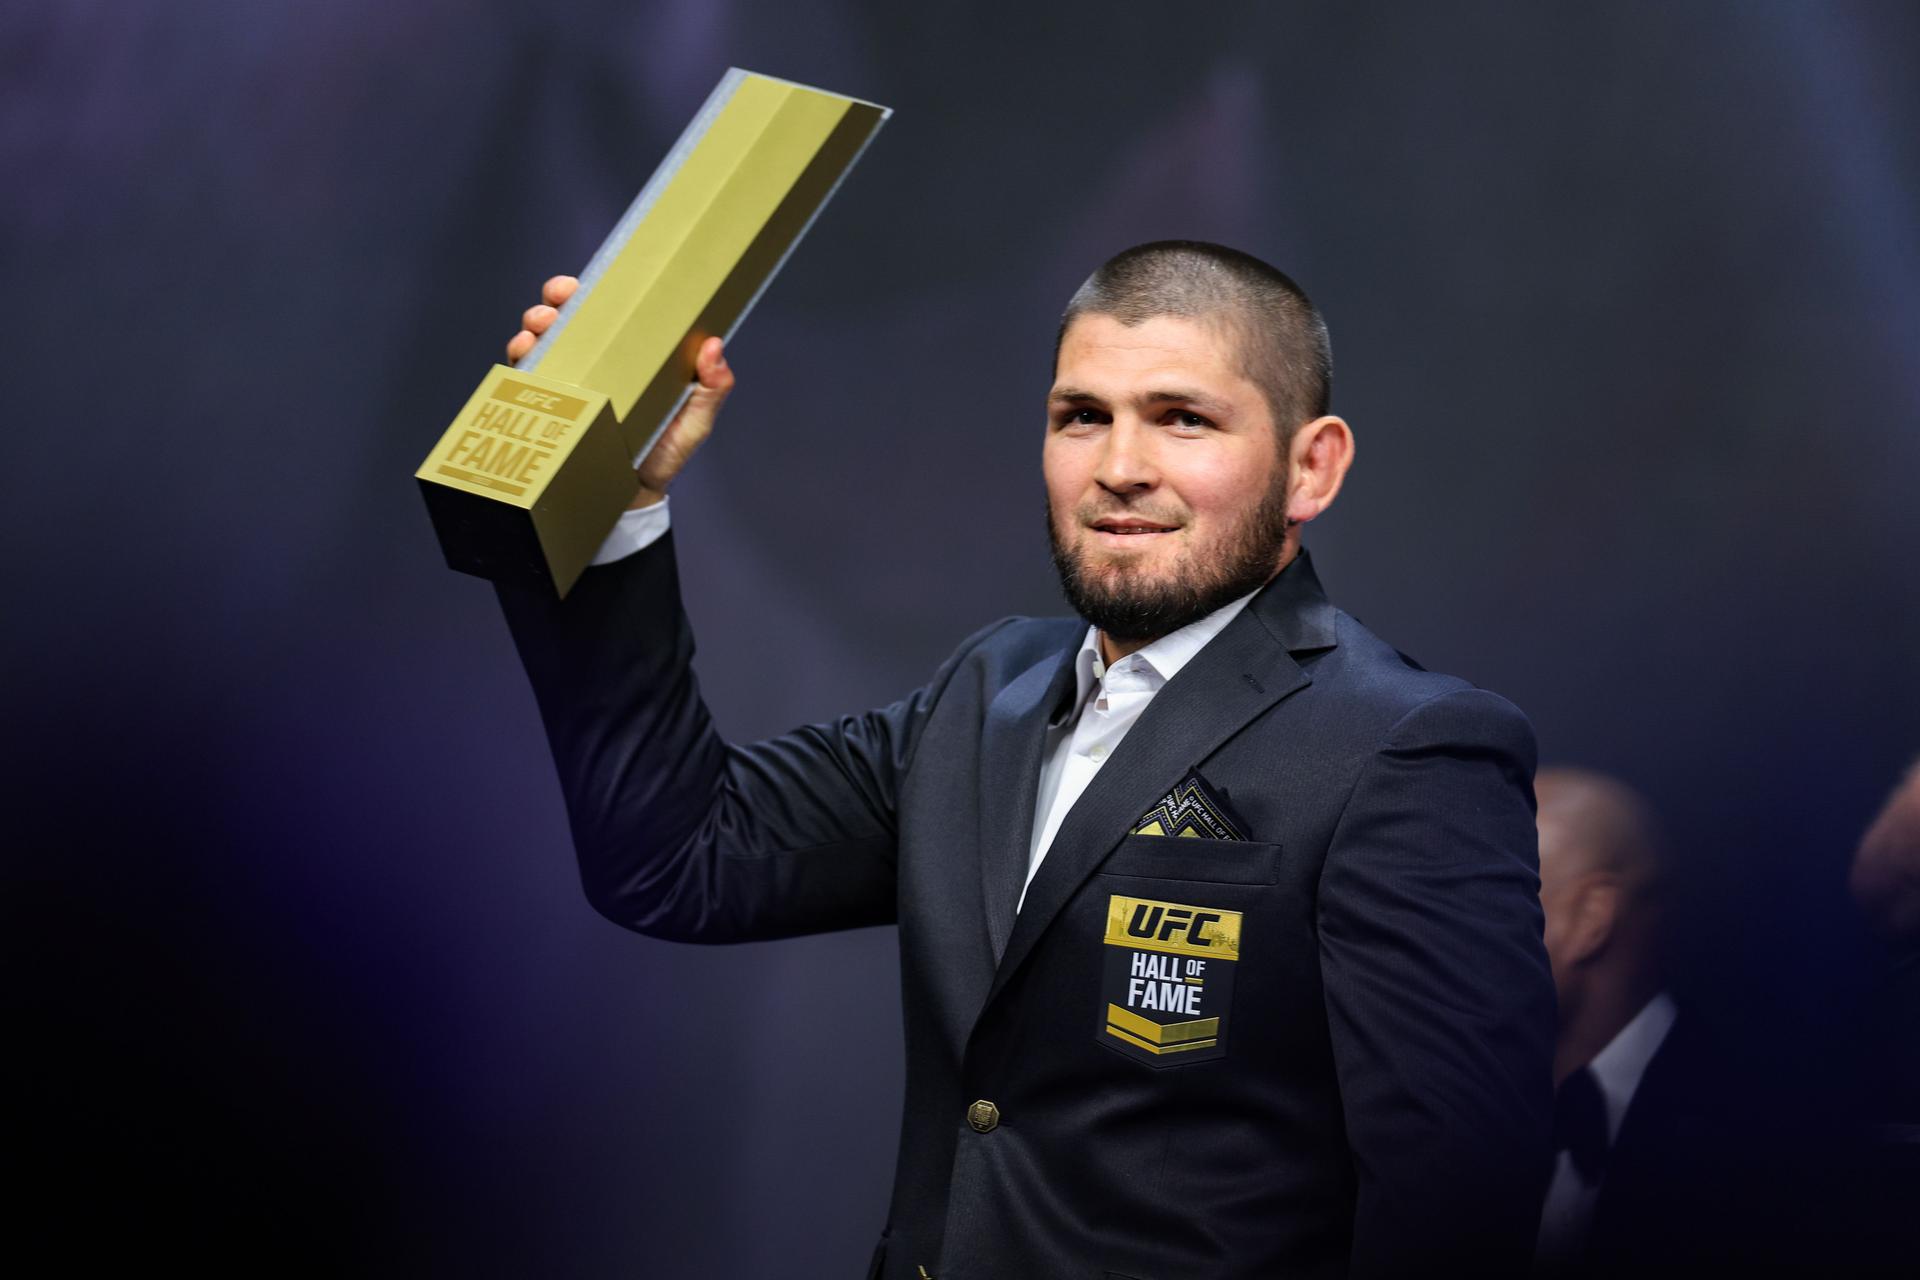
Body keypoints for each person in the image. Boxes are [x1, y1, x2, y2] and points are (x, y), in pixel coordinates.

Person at [495, 242, 1556, 1278]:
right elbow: (678, 856)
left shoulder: (1408, 746)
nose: (1120, 466)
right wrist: (620, 505)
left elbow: (1454, 1209)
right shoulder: (983, 691)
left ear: (1310, 463)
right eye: (1081, 416)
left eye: (1183, 418)